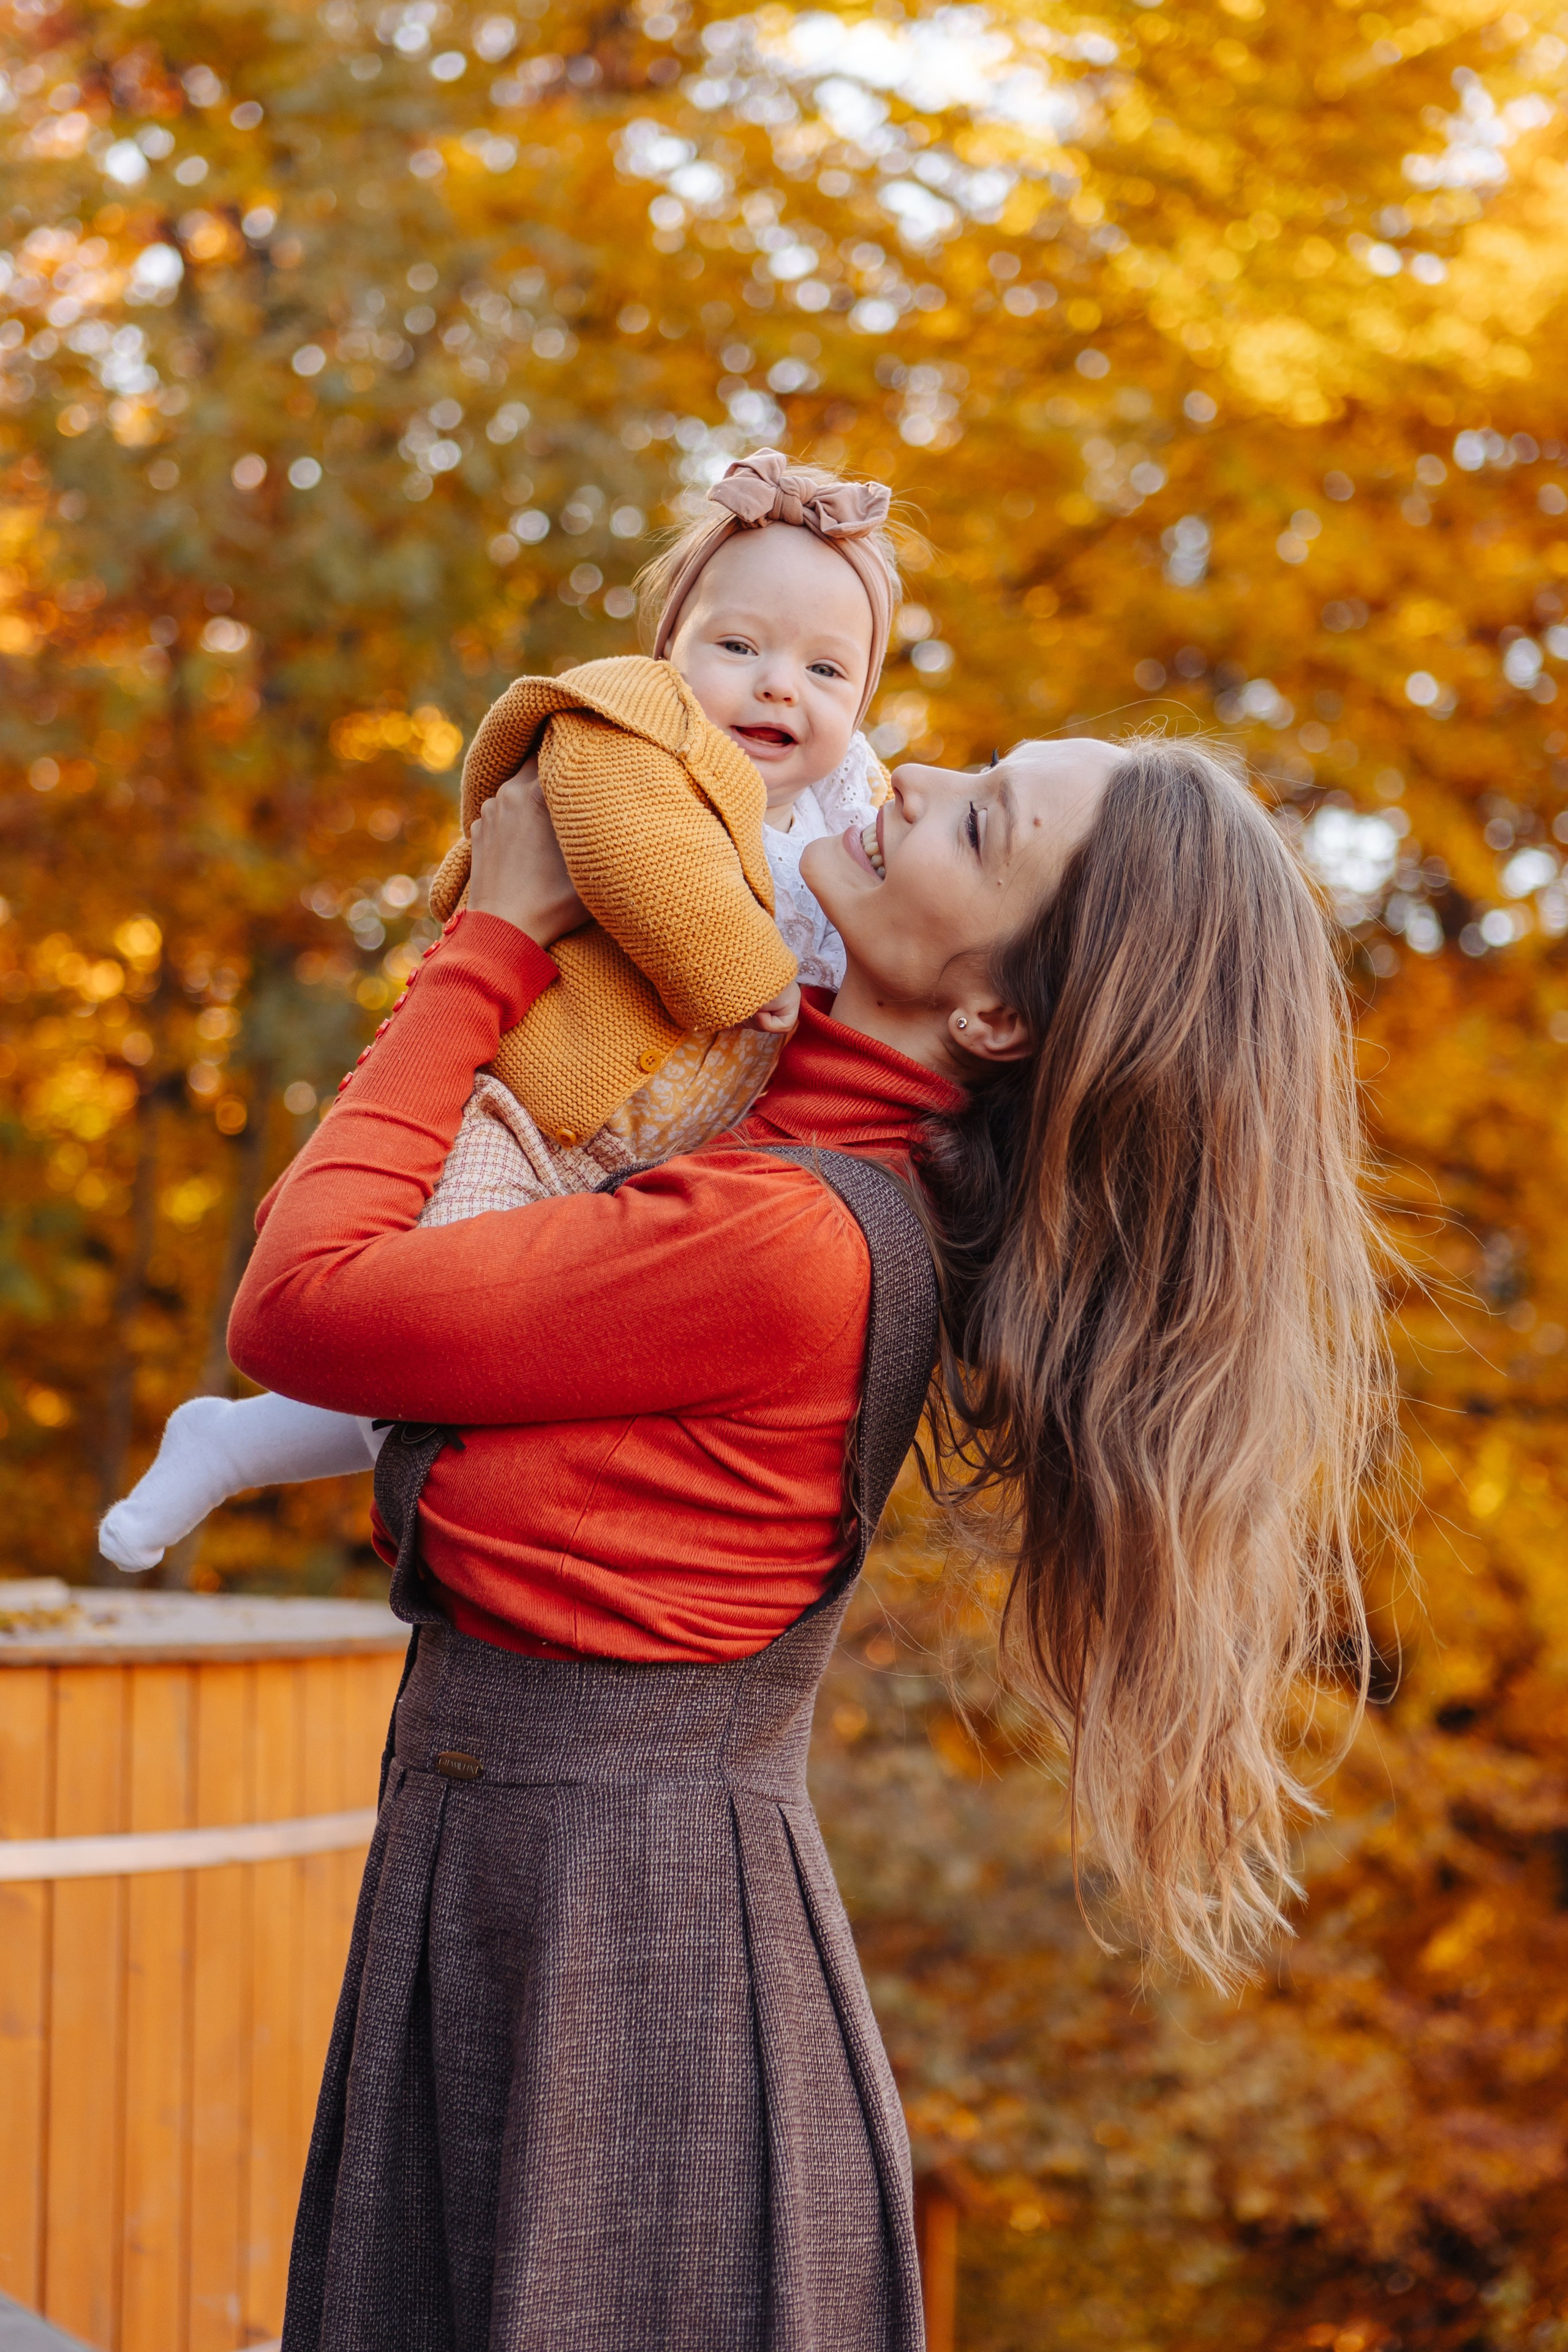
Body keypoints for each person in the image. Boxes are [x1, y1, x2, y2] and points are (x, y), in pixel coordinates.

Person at [225, 726, 1392, 2350]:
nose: (907, 774)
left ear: (993, 1012)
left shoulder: (793, 1244)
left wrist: (484, 940)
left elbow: (294, 1306)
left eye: (977, 822)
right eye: (969, 758)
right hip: (553, 1917)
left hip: (628, 1985)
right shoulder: (788, 1155)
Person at [98, 450, 900, 1575]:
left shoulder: (843, 813)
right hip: (523, 1110)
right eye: (740, 645)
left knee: (519, 1346)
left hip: (644, 1171)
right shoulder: (630, 725)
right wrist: (743, 970)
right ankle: (256, 1457)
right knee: (435, 1312)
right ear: (670, 642)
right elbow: (633, 848)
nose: (781, 687)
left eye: (828, 669)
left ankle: (234, 1441)